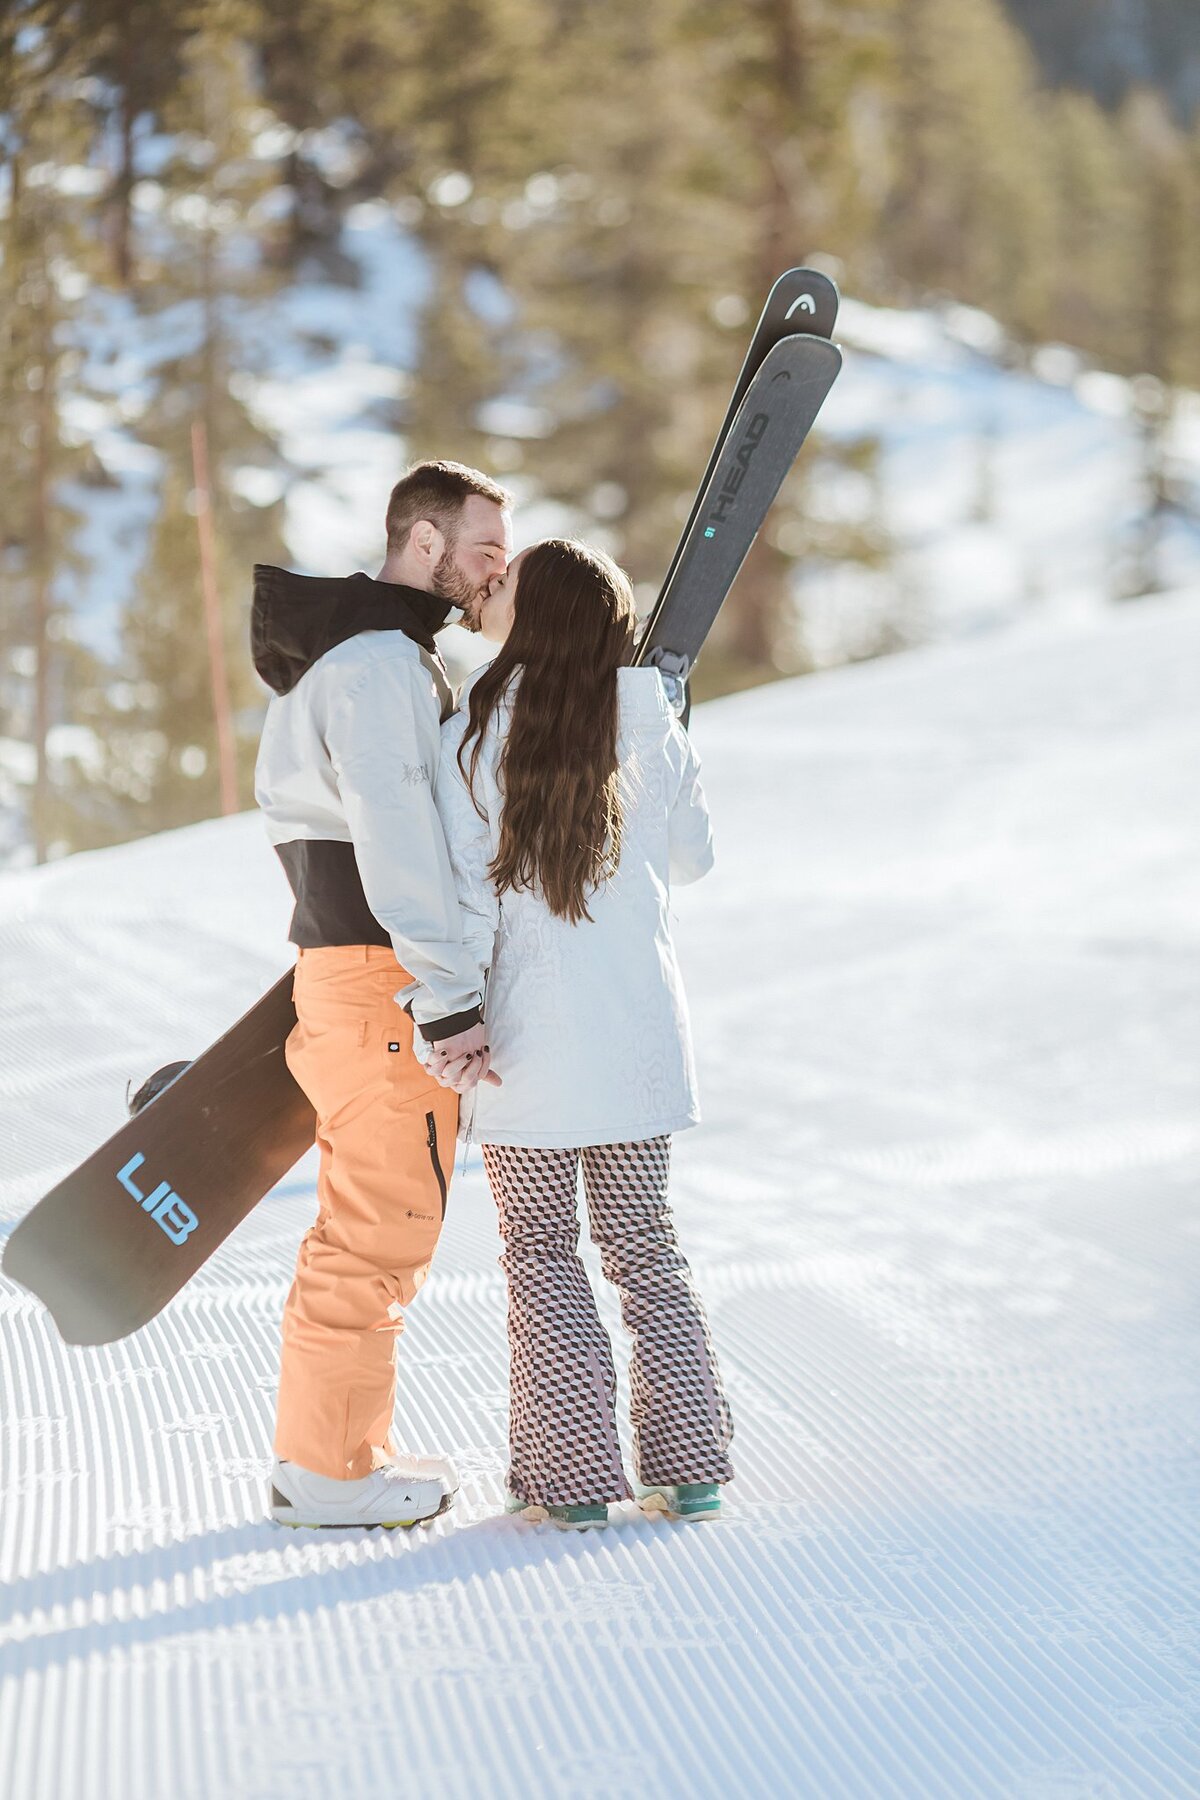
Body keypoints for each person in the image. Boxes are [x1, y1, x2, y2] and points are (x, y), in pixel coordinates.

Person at [434, 538, 734, 1529]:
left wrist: (455, 1015)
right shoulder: (645, 723)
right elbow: (691, 862)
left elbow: (465, 904)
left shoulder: (474, 737)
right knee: (647, 1250)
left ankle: (568, 1487)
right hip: (637, 1042)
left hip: (527, 1050)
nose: (492, 591)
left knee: (542, 1254)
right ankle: (688, 1472)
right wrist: (673, 735)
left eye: (507, 586)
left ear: (537, 617)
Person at [252, 459, 511, 1528]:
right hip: (381, 980)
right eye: (484, 544)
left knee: (375, 1222)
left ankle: (334, 1454)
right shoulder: (378, 666)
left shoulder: (388, 657)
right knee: (379, 1226)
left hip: (356, 974)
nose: (498, 563)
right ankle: (329, 1472)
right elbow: (399, 836)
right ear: (422, 542)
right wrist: (447, 994)